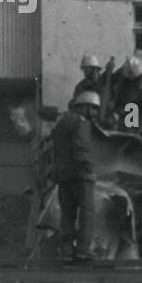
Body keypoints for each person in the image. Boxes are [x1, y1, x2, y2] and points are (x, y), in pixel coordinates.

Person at [51, 89, 101, 261]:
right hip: (80, 176)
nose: (94, 113)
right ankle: (83, 250)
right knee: (87, 212)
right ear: (84, 107)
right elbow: (81, 149)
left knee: (67, 214)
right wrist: (90, 170)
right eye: (93, 108)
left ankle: (66, 251)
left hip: (63, 177)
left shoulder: (61, 122)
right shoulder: (81, 123)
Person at [108, 56, 142, 135]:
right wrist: (108, 72)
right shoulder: (121, 76)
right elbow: (109, 84)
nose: (131, 80)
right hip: (120, 115)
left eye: (133, 78)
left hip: (136, 120)